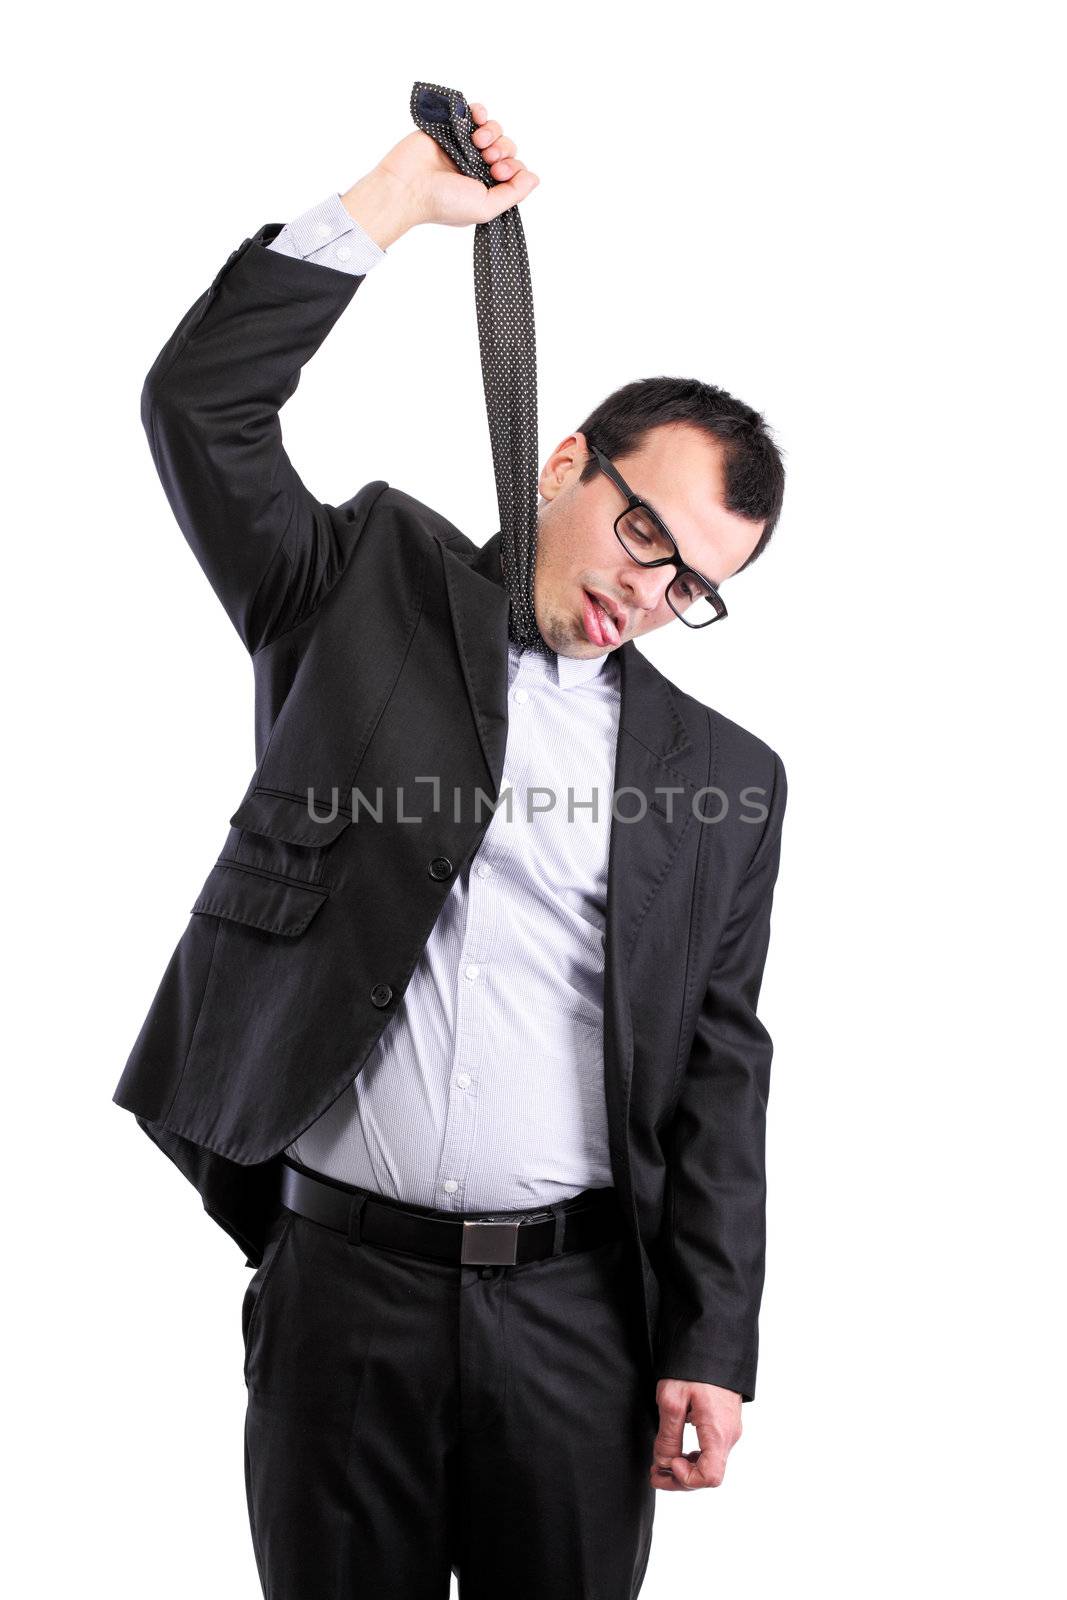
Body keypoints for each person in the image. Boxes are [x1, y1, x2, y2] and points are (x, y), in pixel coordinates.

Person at [113, 100, 788, 1598]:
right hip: (340, 1292)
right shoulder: (362, 589)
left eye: (695, 588)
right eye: (644, 538)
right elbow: (198, 410)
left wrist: (711, 1344)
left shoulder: (725, 781)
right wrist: (395, 205)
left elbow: (720, 1070)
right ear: (566, 463)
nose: (649, 593)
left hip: (577, 1324)